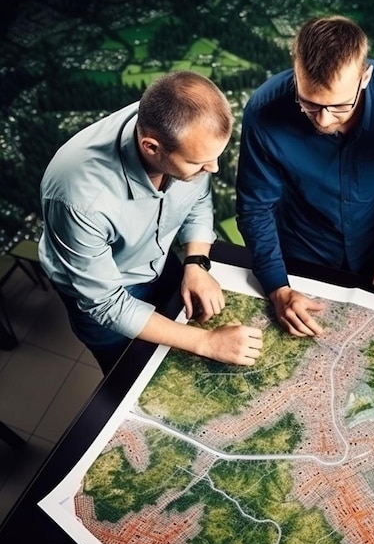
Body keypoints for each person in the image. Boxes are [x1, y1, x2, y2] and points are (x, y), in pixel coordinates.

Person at [39, 70, 263, 374]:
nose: (213, 168)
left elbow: (196, 200)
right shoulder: (79, 199)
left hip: (160, 261)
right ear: (151, 147)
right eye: (199, 163)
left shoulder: (183, 133)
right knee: (129, 373)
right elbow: (106, 304)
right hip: (104, 294)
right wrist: (207, 343)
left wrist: (196, 263)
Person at [236, 15, 374, 337]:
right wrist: (277, 286)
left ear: (365, 76)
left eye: (341, 106)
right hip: (302, 254)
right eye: (310, 104)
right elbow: (256, 208)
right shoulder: (264, 111)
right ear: (296, 71)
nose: (326, 120)